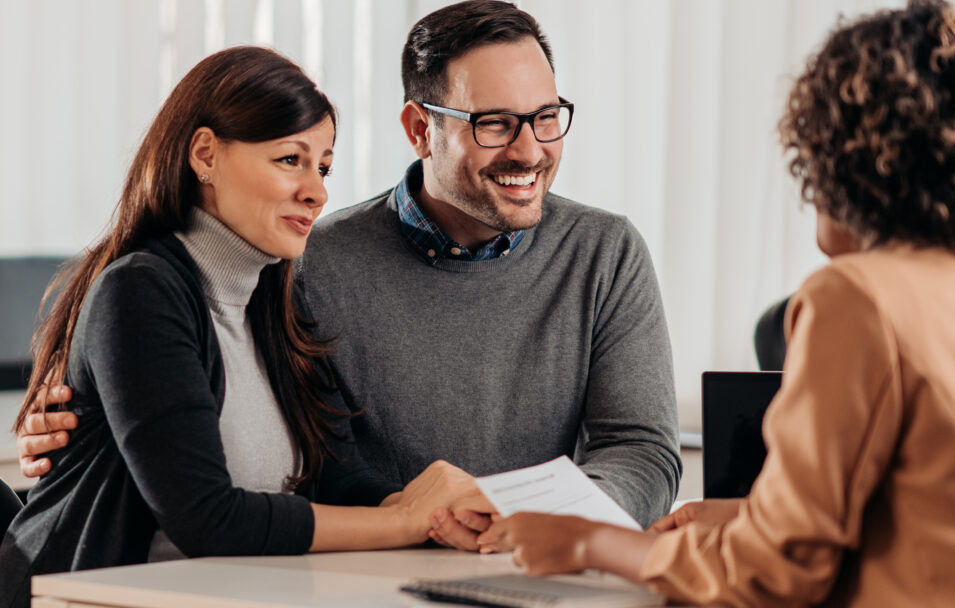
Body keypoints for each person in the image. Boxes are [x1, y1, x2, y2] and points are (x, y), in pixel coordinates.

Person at [16, 0, 682, 548]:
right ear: (421, 130)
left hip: (500, 563)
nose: (530, 149)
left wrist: (545, 522)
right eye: (495, 124)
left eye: (544, 118)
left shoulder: (606, 252)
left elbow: (641, 453)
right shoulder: (302, 266)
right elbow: (218, 495)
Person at [475, 2, 955, 605]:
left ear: (862, 158)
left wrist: (591, 543)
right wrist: (745, 516)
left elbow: (773, 575)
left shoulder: (859, 298)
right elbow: (950, 517)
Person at [0, 46, 479, 608]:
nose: (317, 191)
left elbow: (343, 484)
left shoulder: (276, 305)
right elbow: (207, 518)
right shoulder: (140, 291)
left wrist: (443, 518)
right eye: (289, 160)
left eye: (322, 167)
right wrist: (403, 522)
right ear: (205, 153)